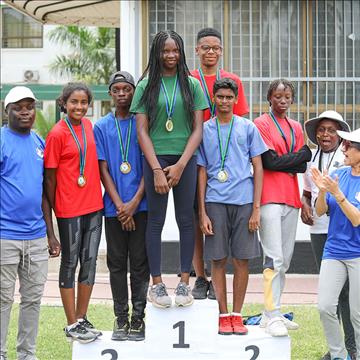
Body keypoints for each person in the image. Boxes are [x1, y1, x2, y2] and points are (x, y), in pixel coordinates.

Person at [130, 30, 208, 308]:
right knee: (156, 222)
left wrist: (181, 165)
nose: (171, 55)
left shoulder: (192, 85)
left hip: (184, 159)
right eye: (165, 51)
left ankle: (185, 283)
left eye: (175, 50)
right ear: (157, 53)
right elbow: (141, 130)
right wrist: (156, 169)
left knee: (187, 220)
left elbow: (198, 129)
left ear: (182, 52)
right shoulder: (145, 86)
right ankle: (158, 285)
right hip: (156, 159)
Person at [197, 78, 267, 335]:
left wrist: (256, 208)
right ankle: (222, 314)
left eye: (229, 97)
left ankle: (237, 314)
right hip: (215, 201)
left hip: (244, 201)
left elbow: (258, 166)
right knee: (217, 259)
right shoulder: (204, 129)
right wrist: (202, 211)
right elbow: (201, 171)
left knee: (241, 259)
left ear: (236, 100)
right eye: (220, 97)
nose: (225, 101)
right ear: (213, 99)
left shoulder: (247, 127)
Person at [1, 86, 60, 360]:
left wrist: (50, 235)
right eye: (19, 107)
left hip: (36, 237)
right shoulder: (1, 140)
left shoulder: (39, 142)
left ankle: (27, 354)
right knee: (2, 301)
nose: (25, 112)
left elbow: (45, 193)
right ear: (7, 111)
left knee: (33, 299)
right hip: (5, 236)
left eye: (29, 107)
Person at [190, 27, 249, 300]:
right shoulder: (189, 79)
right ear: (197, 50)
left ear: (221, 51)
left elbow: (239, 124)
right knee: (195, 217)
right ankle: (200, 278)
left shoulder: (232, 80)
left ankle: (217, 281)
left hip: (224, 161)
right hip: (194, 153)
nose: (210, 51)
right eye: (205, 47)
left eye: (215, 47)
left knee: (216, 219)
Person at [44, 83, 103, 343]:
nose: (79, 107)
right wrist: (57, 210)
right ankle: (70, 323)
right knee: (70, 263)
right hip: (69, 208)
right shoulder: (57, 133)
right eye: (74, 102)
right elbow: (49, 179)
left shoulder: (89, 127)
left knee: (89, 262)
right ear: (64, 104)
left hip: (94, 205)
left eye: (83, 103)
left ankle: (81, 317)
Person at [254, 79, 312, 337]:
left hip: (291, 198)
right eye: (278, 96)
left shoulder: (297, 127)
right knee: (273, 258)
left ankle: (271, 312)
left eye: (287, 96)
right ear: (269, 98)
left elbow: (302, 165)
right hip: (269, 198)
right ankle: (273, 313)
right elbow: (268, 161)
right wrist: (295, 158)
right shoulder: (261, 124)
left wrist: (287, 161)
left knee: (285, 260)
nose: (283, 100)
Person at [94, 71, 149, 341]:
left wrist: (134, 203)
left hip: (141, 205)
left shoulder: (143, 123)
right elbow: (102, 168)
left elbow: (150, 166)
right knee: (117, 264)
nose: (122, 94)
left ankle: (138, 318)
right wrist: (121, 206)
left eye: (127, 89)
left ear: (134, 92)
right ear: (111, 94)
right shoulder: (102, 126)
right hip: (114, 208)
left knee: (140, 263)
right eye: (117, 90)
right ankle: (120, 318)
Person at [301, 111, 356, 360]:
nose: (344, 149)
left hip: (356, 253)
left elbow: (356, 219)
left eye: (348, 146)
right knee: (325, 306)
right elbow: (321, 210)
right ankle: (338, 355)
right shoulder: (338, 174)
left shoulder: (343, 178)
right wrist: (323, 191)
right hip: (333, 250)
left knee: (356, 312)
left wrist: (336, 192)